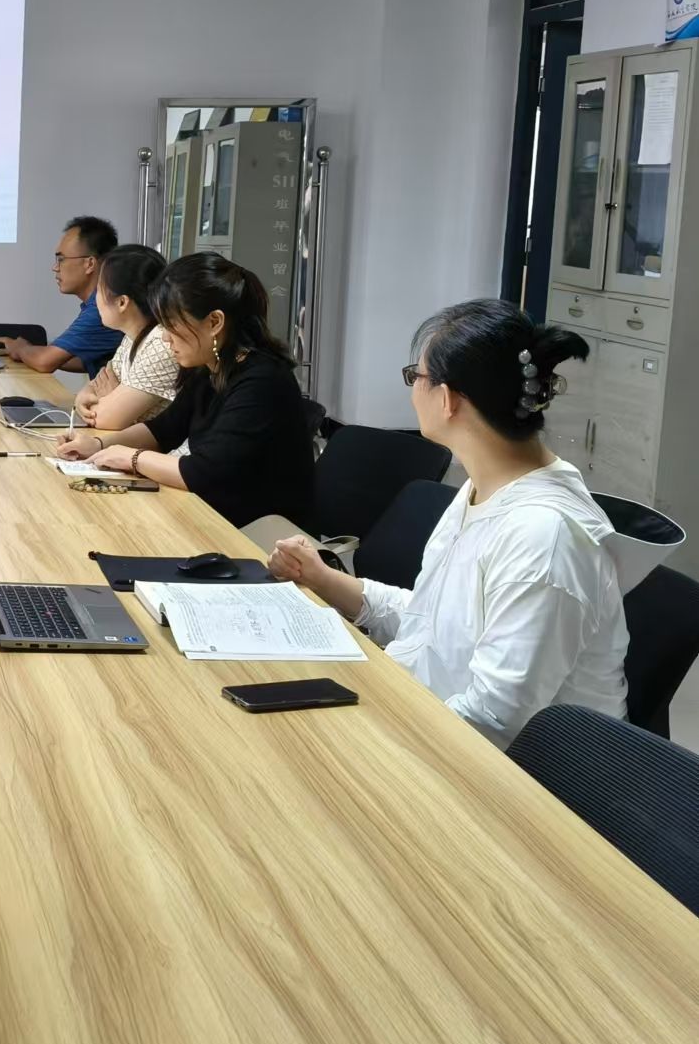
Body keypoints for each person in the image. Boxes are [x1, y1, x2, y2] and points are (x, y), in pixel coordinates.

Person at [268, 299, 629, 750]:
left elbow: (493, 721)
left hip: (511, 774)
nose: (411, 391)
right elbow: (434, 623)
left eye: (415, 377)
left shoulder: (544, 535)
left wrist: (362, 727)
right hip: (431, 724)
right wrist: (323, 579)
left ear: (448, 399)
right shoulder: (485, 486)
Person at [58, 252, 313, 527]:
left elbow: (204, 473)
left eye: (172, 325)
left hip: (260, 534)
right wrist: (99, 446)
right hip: (216, 517)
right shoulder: (212, 367)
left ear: (214, 323)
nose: (166, 338)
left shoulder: (262, 382)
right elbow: (163, 430)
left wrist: (131, 458)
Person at [0, 216, 122, 377]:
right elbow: (84, 360)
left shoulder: (102, 307)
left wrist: (21, 349)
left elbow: (44, 362)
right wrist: (29, 351)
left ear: (90, 264)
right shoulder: (101, 300)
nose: (55, 267)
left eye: (61, 259)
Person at [74, 244, 181, 430]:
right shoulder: (133, 336)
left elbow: (104, 419)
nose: (95, 298)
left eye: (99, 290)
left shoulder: (160, 343)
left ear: (122, 302)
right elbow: (97, 383)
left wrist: (107, 397)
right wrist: (85, 396)